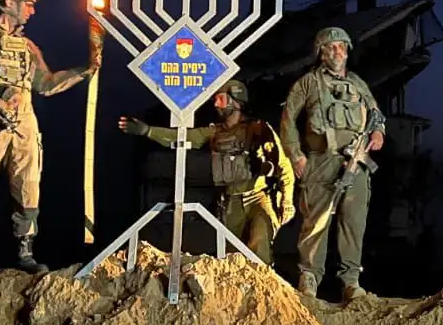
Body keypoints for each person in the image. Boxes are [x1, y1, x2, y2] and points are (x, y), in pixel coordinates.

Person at [0, 0, 97, 278]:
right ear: (9, 3)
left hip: (25, 123)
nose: (32, 11)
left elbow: (44, 83)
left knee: (29, 187)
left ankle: (25, 251)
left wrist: (82, 72)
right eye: (28, 4)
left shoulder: (28, 47)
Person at [118, 79, 296, 265]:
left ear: (235, 101)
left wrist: (287, 200)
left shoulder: (258, 128)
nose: (216, 104)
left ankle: (263, 291)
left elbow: (283, 166)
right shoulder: (214, 132)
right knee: (233, 257)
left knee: (260, 243)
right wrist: (148, 131)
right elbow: (182, 138)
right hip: (229, 204)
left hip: (257, 198)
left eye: (221, 99)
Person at [279, 26, 385, 302]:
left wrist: (378, 132)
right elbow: (288, 120)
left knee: (354, 222)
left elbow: (376, 114)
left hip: (356, 162)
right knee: (316, 222)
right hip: (320, 161)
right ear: (321, 53)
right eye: (332, 47)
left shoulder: (358, 84)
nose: (338, 52)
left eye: (342, 47)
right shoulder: (308, 83)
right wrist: (296, 155)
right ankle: (309, 278)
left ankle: (350, 281)